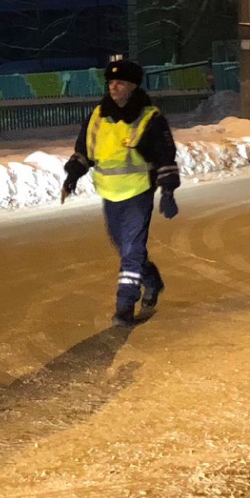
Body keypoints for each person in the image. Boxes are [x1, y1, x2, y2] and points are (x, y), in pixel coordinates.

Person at [61, 57, 181, 324]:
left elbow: (165, 156)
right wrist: (72, 177)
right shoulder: (97, 117)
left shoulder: (150, 118)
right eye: (111, 83)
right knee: (123, 246)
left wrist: (169, 191)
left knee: (132, 250)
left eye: (120, 83)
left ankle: (125, 304)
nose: (114, 87)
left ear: (133, 86)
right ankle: (152, 280)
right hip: (110, 194)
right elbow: (84, 152)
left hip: (139, 192)